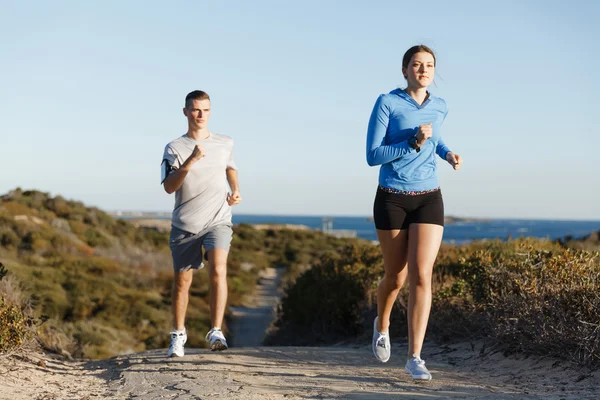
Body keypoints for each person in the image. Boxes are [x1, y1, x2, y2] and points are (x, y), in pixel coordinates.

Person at [365, 45, 462, 380]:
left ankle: (415, 357)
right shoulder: (387, 102)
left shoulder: (440, 106)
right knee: (396, 277)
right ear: (405, 69)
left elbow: (437, 139)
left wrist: (448, 154)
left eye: (429, 65)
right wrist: (411, 143)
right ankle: (383, 323)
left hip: (429, 198)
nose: (424, 70)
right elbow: (373, 155)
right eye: (417, 65)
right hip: (392, 198)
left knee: (423, 275)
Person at [161, 90, 242, 357]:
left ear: (210, 112)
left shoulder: (225, 142)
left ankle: (216, 330)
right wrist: (191, 161)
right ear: (185, 112)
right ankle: (178, 334)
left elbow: (229, 166)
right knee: (183, 282)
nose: (200, 115)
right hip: (186, 224)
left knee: (218, 270)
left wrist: (235, 189)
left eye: (205, 110)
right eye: (195, 110)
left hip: (218, 219)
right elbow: (169, 188)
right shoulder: (174, 147)